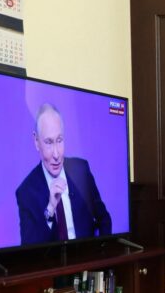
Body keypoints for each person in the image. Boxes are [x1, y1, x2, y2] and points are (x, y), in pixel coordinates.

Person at [16, 103, 111, 245]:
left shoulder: (81, 170)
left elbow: (104, 219)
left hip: (86, 255)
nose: (56, 154)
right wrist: (50, 209)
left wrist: (102, 251)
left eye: (59, 140)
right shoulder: (26, 192)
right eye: (48, 142)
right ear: (36, 141)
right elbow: (28, 249)